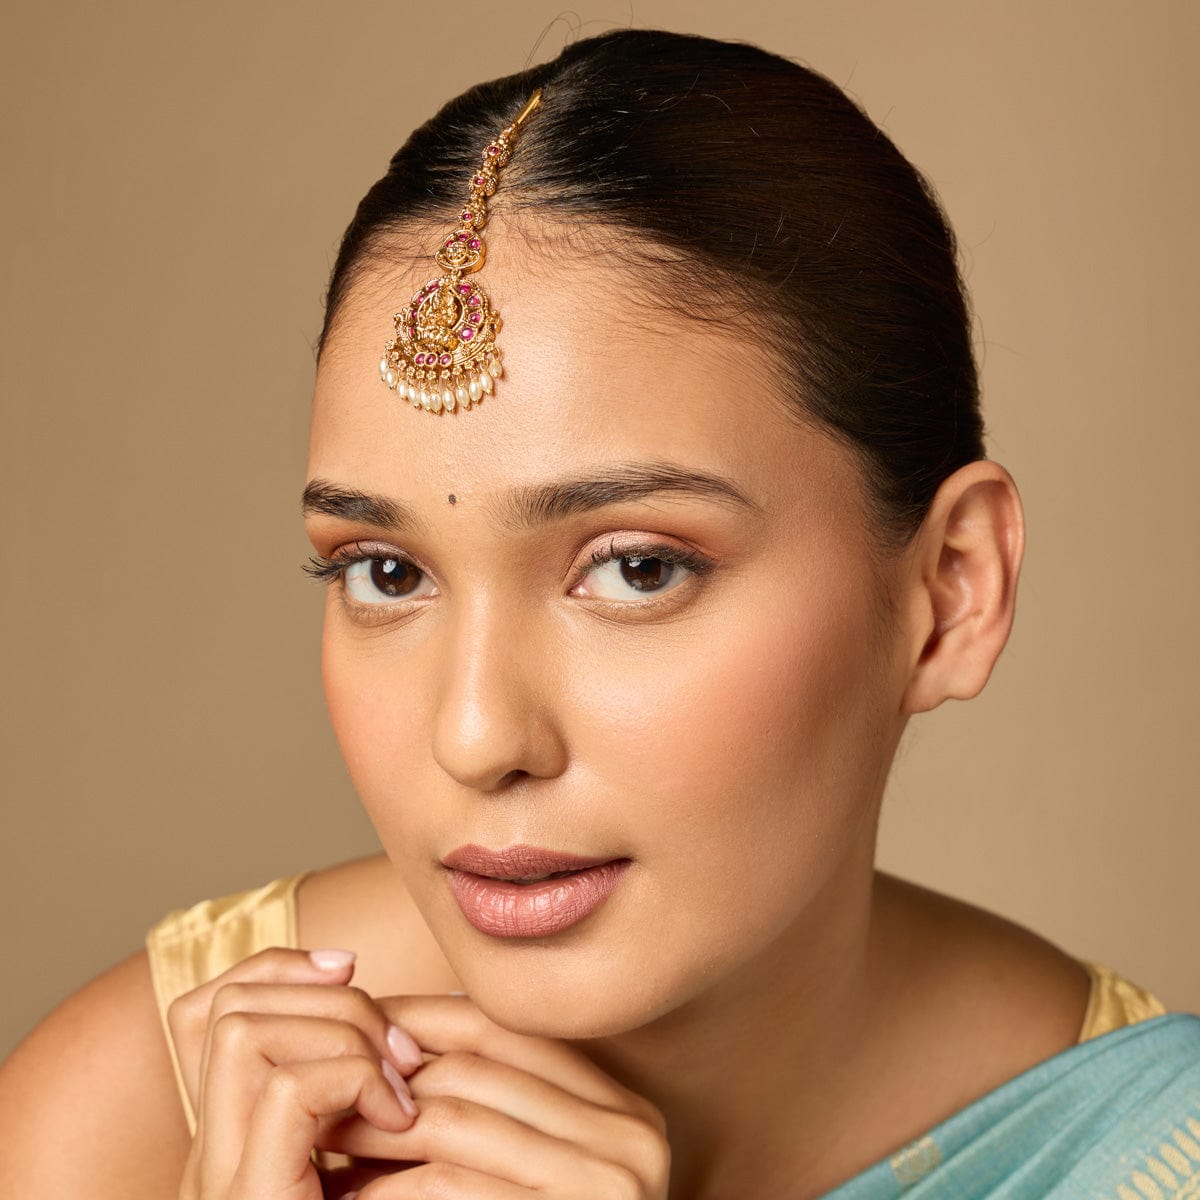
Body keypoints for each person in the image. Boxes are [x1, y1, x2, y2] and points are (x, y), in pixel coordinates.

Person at [2, 26, 1197, 1200]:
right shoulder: (131, 1127)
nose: (477, 736)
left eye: (636, 569)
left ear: (951, 591)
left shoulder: (1151, 1158)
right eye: (386, 573)